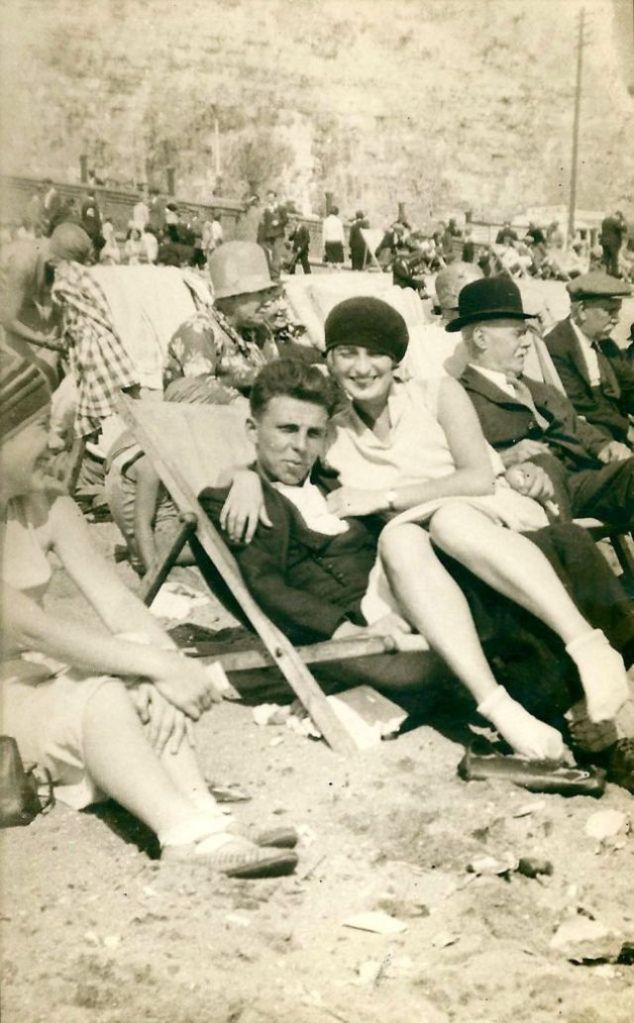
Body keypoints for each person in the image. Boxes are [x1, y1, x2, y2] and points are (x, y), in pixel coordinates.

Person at [213, 347, 634, 780]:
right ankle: (570, 709)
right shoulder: (235, 503)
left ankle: (583, 705)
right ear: (252, 429)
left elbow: (411, 482)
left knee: (516, 547)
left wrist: (509, 473)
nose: (299, 447)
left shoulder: (327, 479)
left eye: (313, 433)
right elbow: (266, 587)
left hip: (412, 595)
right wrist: (345, 631)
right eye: (286, 429)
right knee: (424, 550)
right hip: (365, 629)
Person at [0, 348, 297, 877]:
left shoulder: (47, 504)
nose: (56, 441)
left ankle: (204, 816)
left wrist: (162, 664)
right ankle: (182, 832)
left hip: (28, 683)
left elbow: (118, 604)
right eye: (41, 427)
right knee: (104, 693)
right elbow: (32, 628)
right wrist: (161, 665)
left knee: (140, 661)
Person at [457, 277, 634, 527]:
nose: (527, 343)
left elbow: (575, 425)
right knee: (542, 461)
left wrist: (604, 446)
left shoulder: (536, 388)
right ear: (481, 338)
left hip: (581, 480)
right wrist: (503, 459)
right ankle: (566, 542)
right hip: (535, 495)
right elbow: (453, 465)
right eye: (518, 334)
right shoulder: (459, 398)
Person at [544, 272, 634, 444]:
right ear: (582, 311)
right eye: (610, 311)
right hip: (590, 432)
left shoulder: (605, 344)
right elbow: (579, 404)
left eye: (617, 311)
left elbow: (629, 386)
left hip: (615, 423)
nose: (617, 319)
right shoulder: (556, 345)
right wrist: (626, 428)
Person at [0, 222, 93, 387]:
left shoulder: (50, 259)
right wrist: (44, 341)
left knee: (50, 361)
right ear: (55, 261)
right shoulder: (23, 262)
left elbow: (58, 310)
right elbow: (8, 320)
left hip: (19, 303)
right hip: (7, 309)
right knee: (25, 373)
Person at [259, 190, 288, 281]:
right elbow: (263, 223)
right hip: (268, 235)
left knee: (276, 254)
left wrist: (278, 222)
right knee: (266, 253)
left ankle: (275, 275)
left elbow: (286, 220)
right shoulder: (265, 209)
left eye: (271, 197)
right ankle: (269, 273)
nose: (270, 199)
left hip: (278, 235)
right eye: (268, 197)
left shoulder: (281, 208)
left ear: (275, 198)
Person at [600, 210, 626, 277]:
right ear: (618, 216)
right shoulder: (616, 221)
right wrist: (622, 222)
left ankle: (605, 274)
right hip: (613, 243)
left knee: (606, 259)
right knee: (614, 259)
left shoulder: (605, 221)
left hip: (604, 242)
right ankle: (614, 275)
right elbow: (624, 229)